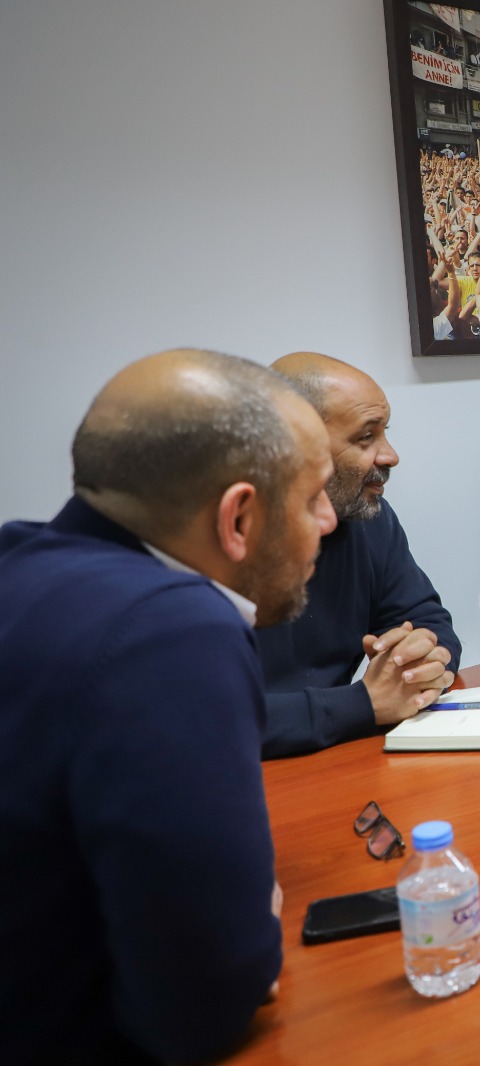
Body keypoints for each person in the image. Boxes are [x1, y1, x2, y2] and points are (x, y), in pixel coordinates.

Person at [0, 349, 336, 1063]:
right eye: (313, 497)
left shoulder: (19, 561)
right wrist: (250, 915)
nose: (330, 520)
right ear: (238, 517)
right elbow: (207, 999)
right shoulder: (171, 629)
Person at [257, 352, 461, 758]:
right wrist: (363, 703)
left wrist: (419, 658)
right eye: (366, 437)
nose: (390, 456)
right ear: (290, 444)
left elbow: (426, 619)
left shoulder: (367, 516)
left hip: (335, 751)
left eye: (384, 433)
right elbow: (199, 720)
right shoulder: (206, 546)